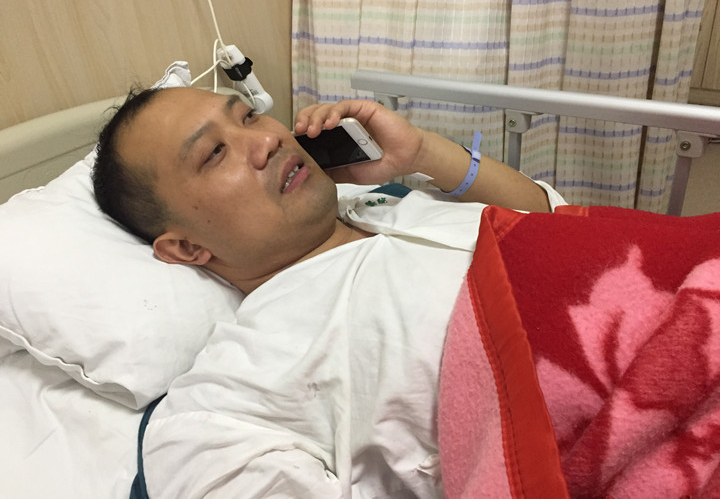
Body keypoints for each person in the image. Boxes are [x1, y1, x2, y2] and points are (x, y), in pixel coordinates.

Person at [92, 86, 566, 498]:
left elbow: (554, 222)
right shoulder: (232, 394)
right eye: (215, 152)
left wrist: (423, 153)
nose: (269, 139)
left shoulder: (386, 204)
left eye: (249, 117)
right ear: (186, 247)